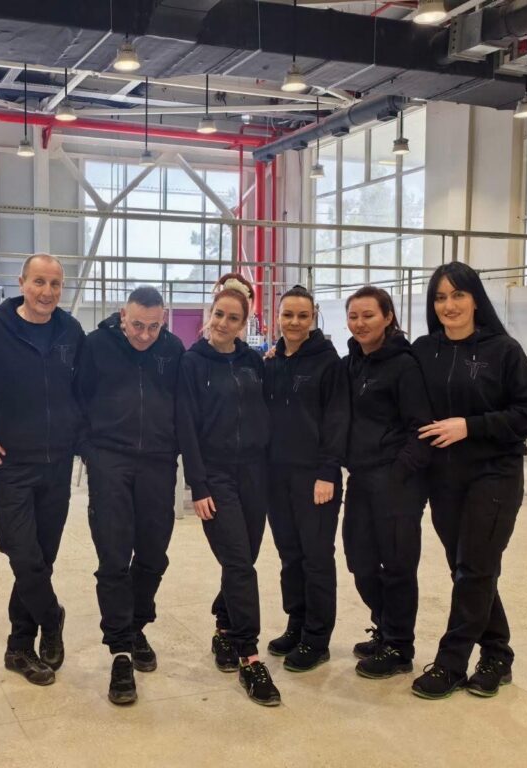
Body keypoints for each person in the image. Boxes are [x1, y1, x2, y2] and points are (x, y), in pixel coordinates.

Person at [410, 262, 527, 700]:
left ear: (475, 300)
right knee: (467, 569)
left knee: (475, 568)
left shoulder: (503, 350)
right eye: (440, 297)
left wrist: (470, 426)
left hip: (494, 472)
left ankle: (451, 664)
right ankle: (498, 654)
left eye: (457, 295)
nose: (448, 305)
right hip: (444, 477)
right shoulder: (424, 350)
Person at [0, 254, 84, 686]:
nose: (47, 292)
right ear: (22, 282)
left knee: (42, 558)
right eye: (39, 282)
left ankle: (19, 646)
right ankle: (52, 617)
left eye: (55, 284)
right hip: (10, 463)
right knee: (24, 555)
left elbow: (87, 386)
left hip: (58, 464)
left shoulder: (70, 331)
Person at [76, 285, 185, 705]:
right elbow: (77, 397)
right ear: (123, 315)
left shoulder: (172, 350)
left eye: (153, 327)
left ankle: (137, 625)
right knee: (114, 557)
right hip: (110, 461)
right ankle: (120, 649)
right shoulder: (96, 346)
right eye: (137, 325)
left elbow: (184, 404)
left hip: (158, 462)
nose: (144, 335)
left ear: (164, 320)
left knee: (154, 555)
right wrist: (89, 450)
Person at [177, 273, 280, 707]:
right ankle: (248, 654)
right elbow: (186, 428)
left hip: (255, 473)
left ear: (244, 324)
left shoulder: (253, 362)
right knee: (239, 562)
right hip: (216, 475)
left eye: (233, 318)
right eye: (218, 314)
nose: (222, 323)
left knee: (244, 558)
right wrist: (198, 484)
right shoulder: (192, 363)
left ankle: (223, 625)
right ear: (209, 313)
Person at [341, 286, 433, 679]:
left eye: (368, 315)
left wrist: (397, 475)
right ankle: (384, 626)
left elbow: (421, 428)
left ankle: (399, 646)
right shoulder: (352, 363)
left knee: (397, 566)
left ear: (388, 317)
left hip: (398, 480)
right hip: (361, 476)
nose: (360, 323)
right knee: (359, 560)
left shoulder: (404, 365)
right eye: (353, 316)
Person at [264, 285, 349, 673]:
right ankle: (296, 623)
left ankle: (317, 638)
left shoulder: (329, 363)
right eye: (288, 315)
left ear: (313, 317)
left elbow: (336, 420)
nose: (294, 322)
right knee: (289, 555)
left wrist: (328, 472)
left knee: (316, 557)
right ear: (277, 316)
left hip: (315, 477)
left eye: (302, 315)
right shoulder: (273, 361)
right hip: (277, 475)